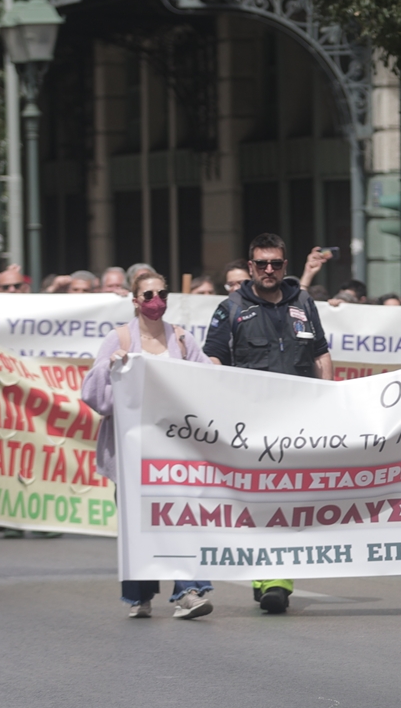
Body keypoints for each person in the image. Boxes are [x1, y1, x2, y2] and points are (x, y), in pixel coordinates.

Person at [205, 234, 334, 613]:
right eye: (262, 263)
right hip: (252, 423)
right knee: (259, 501)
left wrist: (330, 401)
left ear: (284, 265)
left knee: (291, 502)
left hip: (299, 421)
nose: (269, 270)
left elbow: (321, 354)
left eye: (276, 263)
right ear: (250, 267)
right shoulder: (230, 308)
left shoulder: (303, 302)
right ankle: (268, 578)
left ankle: (277, 579)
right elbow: (213, 360)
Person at [83, 270, 215, 619]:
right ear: (135, 300)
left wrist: (213, 369)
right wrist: (110, 371)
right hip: (131, 453)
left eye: (161, 294)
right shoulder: (120, 338)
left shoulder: (183, 339)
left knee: (182, 519)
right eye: (147, 295)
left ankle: (189, 592)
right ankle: (139, 595)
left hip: (175, 450)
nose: (155, 301)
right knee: (137, 522)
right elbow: (95, 396)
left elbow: (208, 384)